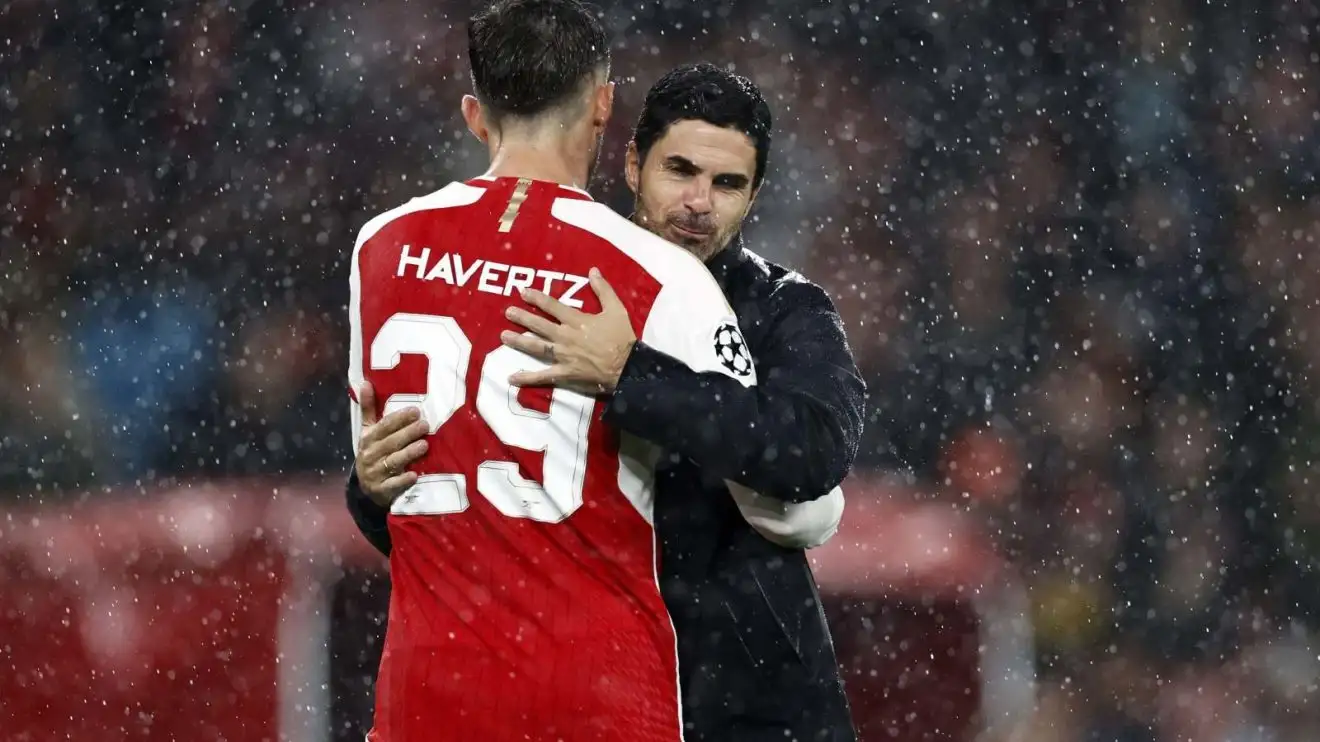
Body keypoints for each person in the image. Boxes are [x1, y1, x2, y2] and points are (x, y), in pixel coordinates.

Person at [349, 62, 865, 742]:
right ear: (629, 163)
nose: (699, 202)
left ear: (755, 195)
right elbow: (467, 499)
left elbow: (811, 451)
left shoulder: (783, 309)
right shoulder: (544, 276)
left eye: (727, 183)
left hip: (744, 697)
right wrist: (369, 490)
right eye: (679, 171)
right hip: (586, 687)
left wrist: (631, 375)